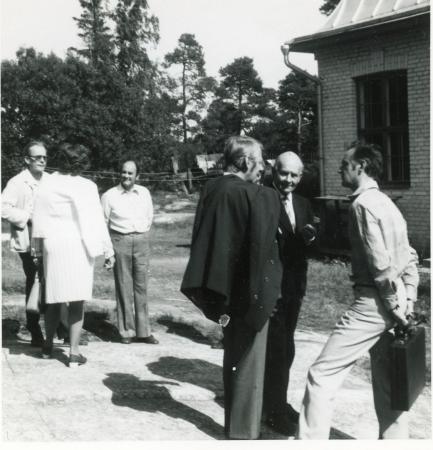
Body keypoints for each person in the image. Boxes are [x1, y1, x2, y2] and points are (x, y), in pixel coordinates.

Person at [297, 143, 419, 439]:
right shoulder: (387, 203)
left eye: (344, 165)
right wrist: (408, 301)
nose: (340, 169)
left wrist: (393, 307)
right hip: (398, 301)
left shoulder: (362, 205)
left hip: (374, 304)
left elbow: (380, 265)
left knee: (321, 374)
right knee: (390, 381)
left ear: (360, 166)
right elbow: (410, 256)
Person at [181, 136, 283, 440]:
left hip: (221, 291)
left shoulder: (213, 188)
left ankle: (235, 427)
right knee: (250, 363)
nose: (263, 168)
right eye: (260, 161)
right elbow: (265, 226)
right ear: (246, 161)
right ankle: (244, 434)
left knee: (235, 358)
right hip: (249, 292)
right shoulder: (251, 193)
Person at [32, 143, 115, 367]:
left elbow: (38, 216)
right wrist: (108, 249)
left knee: (53, 298)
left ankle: (47, 346)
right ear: (81, 162)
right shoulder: (87, 186)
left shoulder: (47, 182)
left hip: (54, 245)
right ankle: (74, 354)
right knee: (77, 300)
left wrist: (36, 248)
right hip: (78, 245)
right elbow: (96, 221)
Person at [263, 151, 316, 435]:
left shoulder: (304, 203)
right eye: (284, 173)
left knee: (287, 347)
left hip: (294, 287)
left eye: (294, 175)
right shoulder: (263, 198)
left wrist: (312, 236)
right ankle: (273, 411)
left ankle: (278, 403)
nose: (288, 180)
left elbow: (310, 244)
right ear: (274, 171)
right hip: (273, 290)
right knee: (276, 350)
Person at [101, 160, 158, 345]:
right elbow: (102, 224)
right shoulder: (109, 195)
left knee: (142, 286)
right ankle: (127, 331)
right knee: (124, 286)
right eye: (124, 172)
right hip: (120, 241)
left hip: (141, 240)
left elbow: (149, 216)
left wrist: (141, 234)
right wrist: (108, 251)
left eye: (130, 173)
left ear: (137, 176)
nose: (126, 176)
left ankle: (144, 331)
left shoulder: (144, 193)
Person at [2, 141, 49, 346]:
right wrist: (27, 217)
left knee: (53, 278)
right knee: (36, 278)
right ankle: (34, 326)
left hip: (50, 236)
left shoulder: (50, 180)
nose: (42, 160)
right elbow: (3, 208)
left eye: (44, 157)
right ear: (27, 160)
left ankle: (59, 325)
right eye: (37, 157)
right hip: (30, 237)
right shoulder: (17, 182)